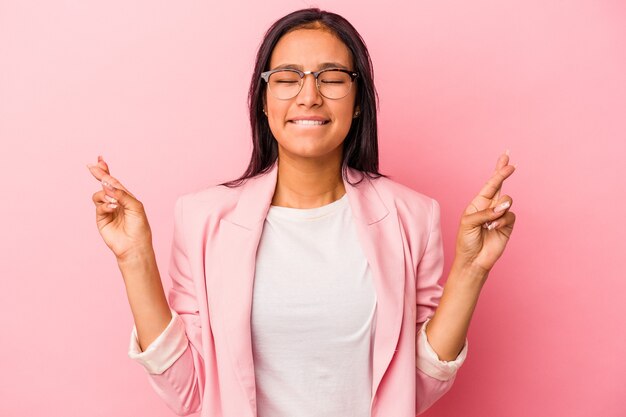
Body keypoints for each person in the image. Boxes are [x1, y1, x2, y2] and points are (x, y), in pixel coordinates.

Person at [87, 8, 516, 417]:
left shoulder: (412, 217)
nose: (309, 96)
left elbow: (415, 386)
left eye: (330, 78)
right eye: (288, 78)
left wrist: (471, 268)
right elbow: (189, 391)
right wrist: (134, 257)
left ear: (359, 100)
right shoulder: (202, 219)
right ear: (263, 99)